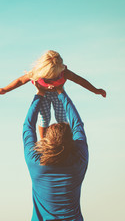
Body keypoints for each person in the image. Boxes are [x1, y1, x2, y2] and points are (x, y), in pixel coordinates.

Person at [0, 50, 106, 139]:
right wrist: (4, 89)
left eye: (55, 77)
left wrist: (95, 90)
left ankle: (64, 138)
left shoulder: (64, 73)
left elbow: (80, 80)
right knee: (44, 119)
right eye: (48, 79)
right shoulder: (36, 72)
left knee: (61, 118)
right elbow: (20, 81)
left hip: (58, 95)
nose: (52, 81)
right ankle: (43, 141)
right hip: (43, 96)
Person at [23, 82, 88, 221]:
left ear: (46, 140)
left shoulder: (35, 161)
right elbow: (77, 124)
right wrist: (61, 91)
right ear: (71, 140)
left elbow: (28, 126)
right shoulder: (80, 159)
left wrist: (39, 93)